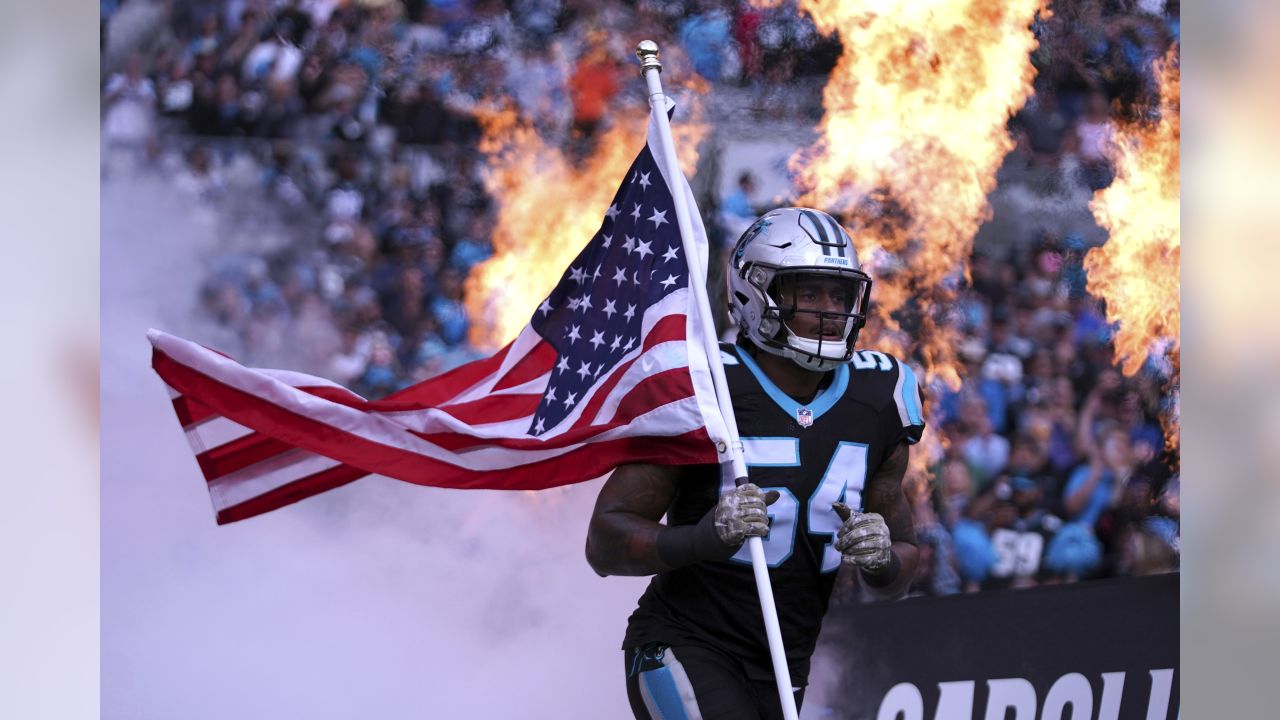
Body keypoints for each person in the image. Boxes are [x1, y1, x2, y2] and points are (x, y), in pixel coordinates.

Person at [586, 207, 926, 719]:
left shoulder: (880, 396)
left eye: (839, 295)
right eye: (808, 292)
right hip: (684, 642)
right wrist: (705, 537)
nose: (830, 311)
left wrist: (882, 559)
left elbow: (903, 564)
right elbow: (604, 543)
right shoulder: (706, 386)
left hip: (786, 665)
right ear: (753, 292)